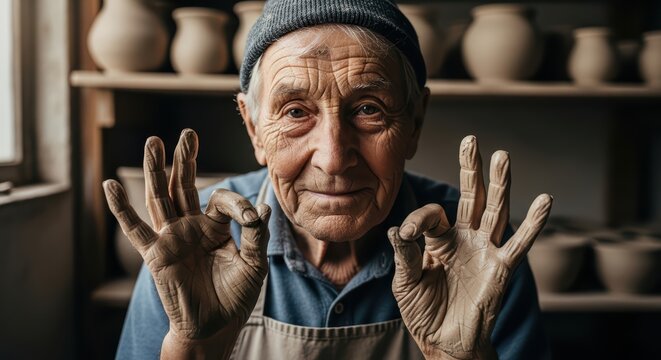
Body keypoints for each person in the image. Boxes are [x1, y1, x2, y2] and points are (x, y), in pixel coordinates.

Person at [104, 0, 553, 358]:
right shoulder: (191, 246)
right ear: (254, 128)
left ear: (414, 122)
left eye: (368, 109)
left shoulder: (476, 248)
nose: (334, 159)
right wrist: (195, 350)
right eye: (296, 112)